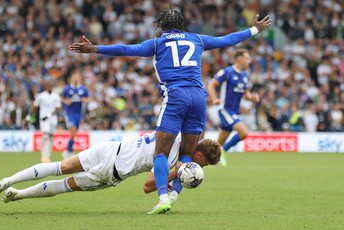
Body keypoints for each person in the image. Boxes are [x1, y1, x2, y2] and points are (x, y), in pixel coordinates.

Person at [69, 7, 271, 214]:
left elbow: (127, 50)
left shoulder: (158, 43)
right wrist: (254, 30)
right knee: (187, 154)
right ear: (182, 24)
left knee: (161, 153)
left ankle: (163, 198)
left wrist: (96, 49)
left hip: (177, 96)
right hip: (198, 97)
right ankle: (174, 196)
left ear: (162, 26)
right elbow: (227, 40)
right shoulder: (197, 39)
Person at [0, 132, 221, 210]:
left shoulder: (173, 133)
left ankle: (8, 181)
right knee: (66, 185)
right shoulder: (171, 161)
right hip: (113, 171)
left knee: (60, 166)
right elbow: (147, 187)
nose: (201, 167)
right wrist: (176, 174)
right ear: (198, 156)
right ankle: (18, 195)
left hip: (112, 148)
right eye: (204, 164)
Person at [207, 49, 260, 166]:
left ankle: (199, 158)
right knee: (244, 132)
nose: (249, 61)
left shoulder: (245, 76)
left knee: (217, 144)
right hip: (225, 108)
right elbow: (211, 85)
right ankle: (223, 152)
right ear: (239, 59)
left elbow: (245, 94)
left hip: (234, 111)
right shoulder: (227, 72)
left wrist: (252, 98)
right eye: (247, 58)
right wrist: (214, 98)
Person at [26, 81, 62, 163]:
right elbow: (34, 106)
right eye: (48, 86)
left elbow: (58, 108)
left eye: (50, 86)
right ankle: (43, 156)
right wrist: (29, 116)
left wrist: (49, 114)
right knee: (45, 135)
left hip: (53, 120)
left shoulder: (56, 96)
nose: (49, 87)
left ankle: (48, 156)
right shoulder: (41, 96)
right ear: (46, 87)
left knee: (51, 137)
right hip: (44, 119)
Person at [60, 70, 89, 160]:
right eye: (74, 76)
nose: (76, 78)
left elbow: (87, 99)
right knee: (72, 128)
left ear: (80, 78)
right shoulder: (67, 88)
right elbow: (61, 97)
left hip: (78, 113)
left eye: (78, 76)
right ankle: (68, 150)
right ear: (71, 78)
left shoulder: (83, 89)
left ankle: (69, 149)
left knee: (74, 131)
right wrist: (65, 101)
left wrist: (85, 100)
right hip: (70, 112)